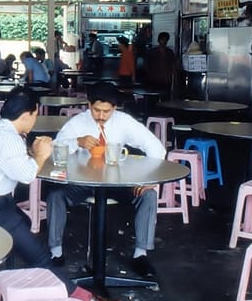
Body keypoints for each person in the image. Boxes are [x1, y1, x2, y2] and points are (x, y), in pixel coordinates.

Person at [0, 87, 121, 301]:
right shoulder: (9, 139)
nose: (35, 120)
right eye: (35, 115)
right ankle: (84, 298)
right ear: (26, 115)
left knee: (25, 225)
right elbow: (27, 175)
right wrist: (40, 156)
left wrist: (33, 151)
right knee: (40, 257)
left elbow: (10, 159)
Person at [45, 83, 166, 277]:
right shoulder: (78, 123)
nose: (101, 115)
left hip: (116, 181)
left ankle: (140, 254)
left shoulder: (124, 122)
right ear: (89, 105)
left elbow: (155, 147)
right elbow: (56, 148)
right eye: (96, 110)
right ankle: (55, 251)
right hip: (83, 182)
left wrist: (148, 179)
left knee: (149, 195)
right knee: (55, 194)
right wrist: (77, 142)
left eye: (106, 111)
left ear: (115, 108)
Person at [145, 32, 177, 99]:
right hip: (155, 79)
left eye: (165, 40)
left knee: (165, 98)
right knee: (154, 98)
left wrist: (174, 78)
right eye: (163, 40)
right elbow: (147, 66)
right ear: (159, 40)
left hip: (165, 79)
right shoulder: (152, 52)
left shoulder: (169, 52)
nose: (164, 42)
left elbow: (173, 66)